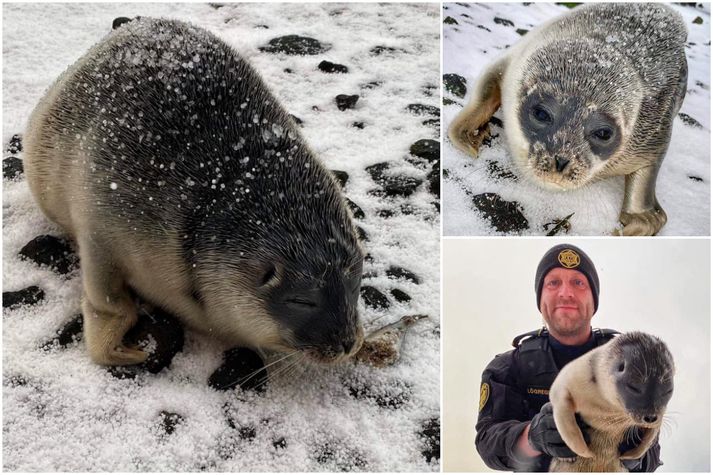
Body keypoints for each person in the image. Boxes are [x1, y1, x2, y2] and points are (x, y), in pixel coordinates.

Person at [475, 244, 662, 472]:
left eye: (578, 282)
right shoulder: (508, 367)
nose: (566, 293)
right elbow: (487, 441)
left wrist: (633, 452)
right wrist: (533, 436)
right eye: (553, 283)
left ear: (594, 301)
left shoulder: (632, 365)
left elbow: (651, 455)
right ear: (540, 298)